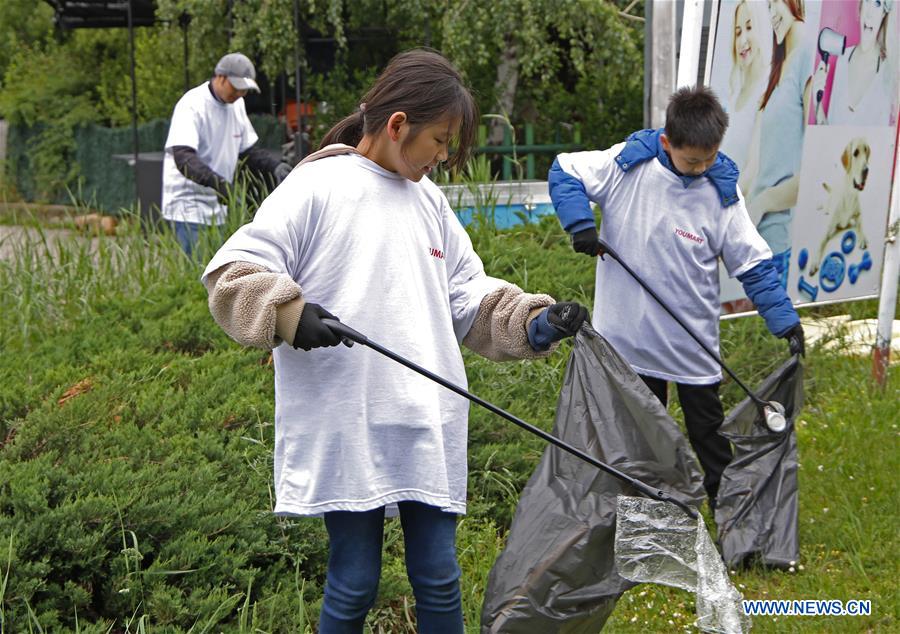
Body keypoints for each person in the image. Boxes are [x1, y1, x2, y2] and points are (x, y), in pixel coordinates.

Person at [200, 49, 588, 633]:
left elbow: (469, 296)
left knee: (439, 576)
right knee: (354, 580)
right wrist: (288, 315)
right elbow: (233, 274)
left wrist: (535, 321)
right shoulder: (317, 187)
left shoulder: (430, 203)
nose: (443, 157)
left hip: (427, 416)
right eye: (440, 140)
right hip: (348, 419)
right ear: (399, 124)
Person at [548, 85, 804, 510]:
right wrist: (580, 224)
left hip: (692, 343)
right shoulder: (627, 165)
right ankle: (646, 515)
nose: (701, 168)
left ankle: (729, 513)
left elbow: (753, 265)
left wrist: (785, 321)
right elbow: (564, 170)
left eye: (709, 159)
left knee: (709, 435)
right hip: (629, 340)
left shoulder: (722, 192)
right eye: (691, 161)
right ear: (667, 143)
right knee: (638, 436)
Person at [161, 52, 293, 257]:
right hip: (189, 206)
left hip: (219, 205)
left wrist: (275, 166)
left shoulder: (236, 105)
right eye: (236, 87)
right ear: (220, 77)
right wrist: (219, 184)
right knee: (198, 267)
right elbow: (183, 158)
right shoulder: (192, 105)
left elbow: (247, 151)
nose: (240, 93)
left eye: (244, 89)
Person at [739, 0, 811, 286]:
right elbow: (753, 168)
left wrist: (762, 203)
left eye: (774, 4)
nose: (770, 15)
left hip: (778, 248)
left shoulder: (807, 59)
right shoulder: (779, 68)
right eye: (766, 7)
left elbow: (814, 167)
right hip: (753, 247)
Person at [813, 0, 897, 125]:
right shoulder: (842, 60)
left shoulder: (889, 74)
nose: (869, 14)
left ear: (884, 13)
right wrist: (817, 105)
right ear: (861, 5)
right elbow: (828, 133)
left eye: (877, 3)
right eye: (867, 1)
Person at [721, 0, 768, 169]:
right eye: (738, 32)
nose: (742, 41)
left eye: (749, 28)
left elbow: (754, 165)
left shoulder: (767, 88)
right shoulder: (735, 92)